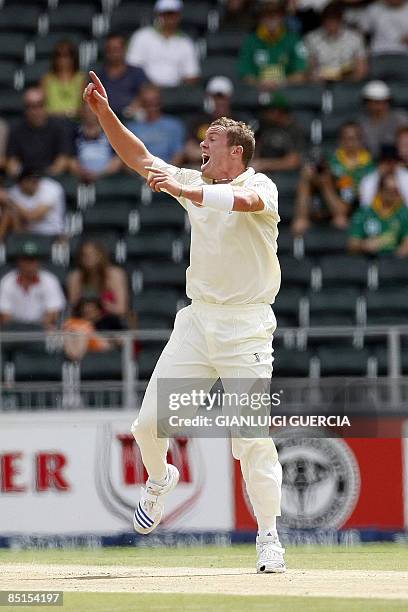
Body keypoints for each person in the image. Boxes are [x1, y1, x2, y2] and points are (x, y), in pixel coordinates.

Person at [83, 70, 285, 574]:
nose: (202, 148)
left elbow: (244, 203)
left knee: (253, 438)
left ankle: (269, 538)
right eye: (202, 141)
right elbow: (140, 159)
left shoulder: (260, 184)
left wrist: (187, 191)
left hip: (247, 328)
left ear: (236, 151)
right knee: (148, 425)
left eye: (211, 142)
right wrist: (105, 113)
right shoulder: (193, 179)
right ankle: (159, 480)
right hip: (197, 324)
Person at [126, 0, 200, 87]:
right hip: (145, 91)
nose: (169, 18)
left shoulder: (186, 42)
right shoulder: (141, 36)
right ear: (158, 15)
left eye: (172, 14)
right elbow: (132, 68)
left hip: (176, 92)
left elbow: (192, 75)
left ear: (179, 16)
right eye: (165, 14)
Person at [183, 76, 252, 167]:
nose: (220, 101)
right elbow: (191, 152)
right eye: (216, 97)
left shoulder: (240, 121)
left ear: (229, 98)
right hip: (202, 168)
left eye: (223, 97)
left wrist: (208, 152)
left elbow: (247, 152)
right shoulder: (198, 121)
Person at [238, 0, 308, 90]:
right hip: (257, 94)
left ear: (282, 17)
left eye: (276, 15)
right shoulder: (251, 41)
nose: (271, 18)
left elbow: (301, 73)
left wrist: (281, 82)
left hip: (288, 94)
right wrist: (259, 83)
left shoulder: (294, 40)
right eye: (267, 15)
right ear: (260, 18)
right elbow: (245, 74)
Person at [6, 87, 72, 177]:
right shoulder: (17, 129)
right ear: (25, 109)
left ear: (46, 106)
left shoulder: (58, 127)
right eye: (31, 106)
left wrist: (46, 175)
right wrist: (22, 176)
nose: (35, 111)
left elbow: (63, 158)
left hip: (49, 180)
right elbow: (11, 160)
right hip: (24, 180)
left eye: (39, 105)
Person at [0, 240, 65, 329]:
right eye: (26, 259)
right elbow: (4, 316)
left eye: (33, 260)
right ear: (19, 261)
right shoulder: (7, 281)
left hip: (41, 331)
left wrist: (36, 330)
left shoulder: (49, 280)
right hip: (13, 331)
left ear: (39, 262)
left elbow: (53, 314)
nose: (29, 264)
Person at [304, 2, 368, 82]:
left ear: (341, 20)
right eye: (328, 20)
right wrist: (314, 77)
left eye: (335, 20)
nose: (332, 24)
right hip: (320, 83)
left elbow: (361, 69)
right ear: (323, 21)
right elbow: (309, 68)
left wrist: (349, 79)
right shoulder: (311, 38)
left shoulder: (355, 38)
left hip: (348, 82)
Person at [348, 172, 408, 256]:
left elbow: (406, 244)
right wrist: (364, 246)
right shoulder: (364, 213)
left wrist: (393, 256)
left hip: (395, 263)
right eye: (390, 191)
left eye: (396, 191)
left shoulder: (404, 213)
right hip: (367, 262)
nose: (394, 195)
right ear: (380, 190)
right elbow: (352, 244)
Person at [67, 240, 128, 319]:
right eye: (84, 255)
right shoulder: (75, 277)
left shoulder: (115, 275)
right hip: (83, 324)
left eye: (92, 254)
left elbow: (122, 310)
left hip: (110, 323)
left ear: (101, 255)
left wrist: (100, 305)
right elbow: (72, 308)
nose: (88, 258)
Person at [126, 84, 185, 166]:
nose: (152, 104)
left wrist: (168, 173)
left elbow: (178, 153)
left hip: (169, 171)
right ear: (142, 103)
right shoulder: (133, 128)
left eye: (155, 101)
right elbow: (129, 157)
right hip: (141, 173)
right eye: (147, 102)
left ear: (161, 101)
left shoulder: (174, 125)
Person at [252, 92, 305, 172]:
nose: (264, 114)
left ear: (279, 111)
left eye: (268, 110)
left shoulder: (294, 129)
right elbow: (255, 153)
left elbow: (294, 161)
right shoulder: (263, 126)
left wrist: (264, 164)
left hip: (287, 177)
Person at [70, 103, 122, 183]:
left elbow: (117, 160)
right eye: (87, 111)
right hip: (81, 178)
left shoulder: (110, 132)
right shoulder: (74, 133)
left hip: (106, 178)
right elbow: (71, 160)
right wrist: (82, 172)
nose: (90, 114)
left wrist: (99, 174)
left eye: (92, 111)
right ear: (82, 113)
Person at [99, 33, 148, 117]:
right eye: (109, 50)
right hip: (105, 117)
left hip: (131, 116)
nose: (113, 53)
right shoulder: (98, 74)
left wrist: (136, 105)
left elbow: (146, 93)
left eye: (116, 49)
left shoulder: (137, 72)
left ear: (124, 49)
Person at [7, 168, 65, 236]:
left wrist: (10, 201)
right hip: (26, 232)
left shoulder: (51, 188)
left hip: (50, 232)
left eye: (37, 179)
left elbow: (33, 217)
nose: (36, 183)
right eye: (31, 180)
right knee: (8, 212)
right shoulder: (14, 191)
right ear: (22, 182)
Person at [329, 122, 375, 208]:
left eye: (353, 139)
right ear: (340, 140)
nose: (349, 143)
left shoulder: (370, 164)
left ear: (361, 140)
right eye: (345, 138)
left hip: (362, 205)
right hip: (336, 205)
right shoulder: (331, 161)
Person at [63, 296, 124, 361]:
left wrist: (114, 342)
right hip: (84, 351)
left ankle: (75, 357)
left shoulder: (110, 320)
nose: (89, 314)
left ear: (98, 310)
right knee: (77, 329)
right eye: (86, 312)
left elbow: (122, 338)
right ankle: (74, 357)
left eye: (92, 311)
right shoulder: (79, 323)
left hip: (106, 350)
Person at [359, 80, 408, 159]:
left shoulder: (400, 118)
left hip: (399, 162)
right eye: (373, 102)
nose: (378, 106)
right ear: (366, 103)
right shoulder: (362, 123)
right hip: (370, 164)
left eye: (382, 102)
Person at [41, 40, 86, 119]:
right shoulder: (46, 79)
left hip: (76, 122)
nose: (62, 59)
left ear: (73, 58)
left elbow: (85, 107)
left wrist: (71, 114)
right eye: (59, 55)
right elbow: (42, 107)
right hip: (52, 122)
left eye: (67, 55)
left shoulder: (81, 79)